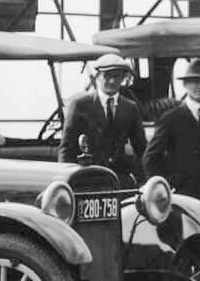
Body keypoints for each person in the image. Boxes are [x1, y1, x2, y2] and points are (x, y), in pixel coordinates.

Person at [144, 59, 200, 206]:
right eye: (195, 81)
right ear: (185, 85)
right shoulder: (171, 118)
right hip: (183, 198)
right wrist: (165, 188)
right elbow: (150, 159)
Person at [59, 53, 147, 183]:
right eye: (107, 76)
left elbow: (141, 148)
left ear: (123, 78)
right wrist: (65, 181)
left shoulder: (130, 108)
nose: (112, 81)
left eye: (117, 76)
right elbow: (66, 148)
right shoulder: (80, 105)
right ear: (97, 77)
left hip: (119, 180)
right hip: (86, 179)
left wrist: (143, 180)